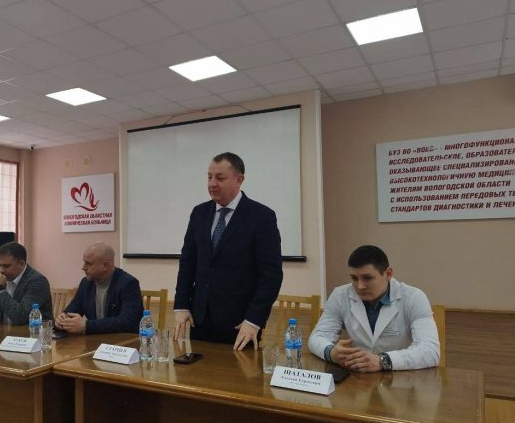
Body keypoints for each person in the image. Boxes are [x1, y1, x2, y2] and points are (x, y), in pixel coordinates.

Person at [173, 152, 283, 350]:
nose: (212, 183)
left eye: (220, 178)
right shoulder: (199, 213)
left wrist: (254, 320)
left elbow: (271, 275)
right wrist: (181, 304)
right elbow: (188, 262)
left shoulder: (261, 216)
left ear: (239, 180)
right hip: (200, 319)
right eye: (209, 177)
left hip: (241, 324)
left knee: (238, 370)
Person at [309, 245, 440, 372]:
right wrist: (331, 352)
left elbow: (430, 351)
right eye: (354, 278)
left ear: (388, 274)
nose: (360, 286)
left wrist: (383, 361)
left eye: (367, 278)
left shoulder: (413, 298)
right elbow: (317, 337)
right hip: (358, 377)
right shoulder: (340, 295)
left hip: (400, 376)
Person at [56, 242, 143, 334]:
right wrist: (62, 320)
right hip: (95, 339)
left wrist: (86, 326)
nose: (83, 267)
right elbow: (73, 309)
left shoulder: (128, 283)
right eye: (84, 262)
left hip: (122, 340)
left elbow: (127, 322)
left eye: (88, 263)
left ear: (105, 265)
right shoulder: (86, 283)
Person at [0, 241, 52, 325]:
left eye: (6, 266)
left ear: (21, 264)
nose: (1, 270)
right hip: (4, 332)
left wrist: (0, 290)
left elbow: (21, 317)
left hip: (33, 332)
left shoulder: (37, 281)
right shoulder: (1, 279)